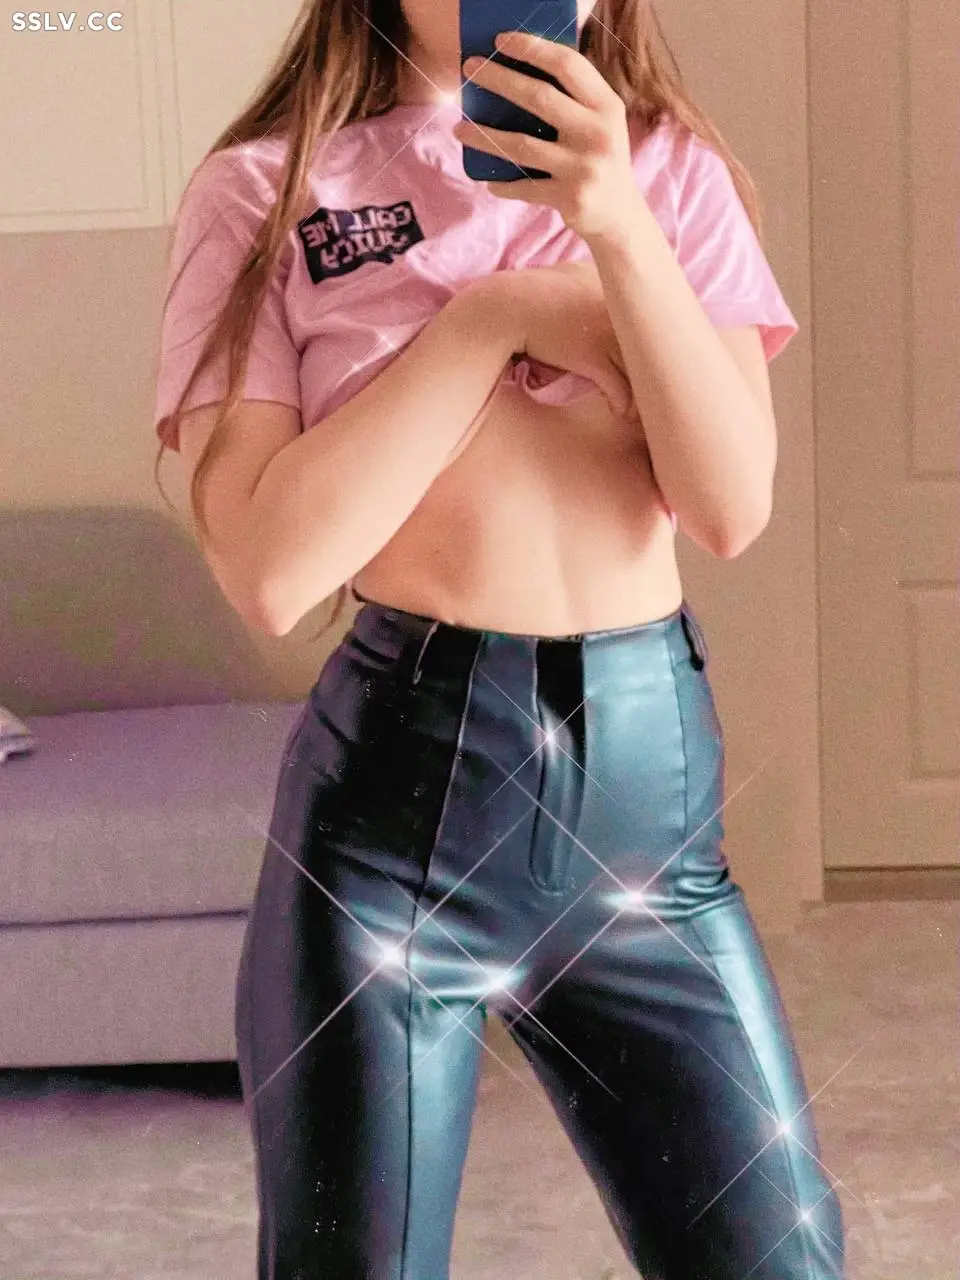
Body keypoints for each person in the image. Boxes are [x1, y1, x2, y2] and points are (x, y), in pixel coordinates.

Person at [152, 2, 846, 1276]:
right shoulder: (264, 191)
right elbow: (271, 569)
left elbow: (729, 507)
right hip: (392, 832)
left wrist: (616, 224)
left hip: (651, 822)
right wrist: (493, 321)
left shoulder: (671, 173)